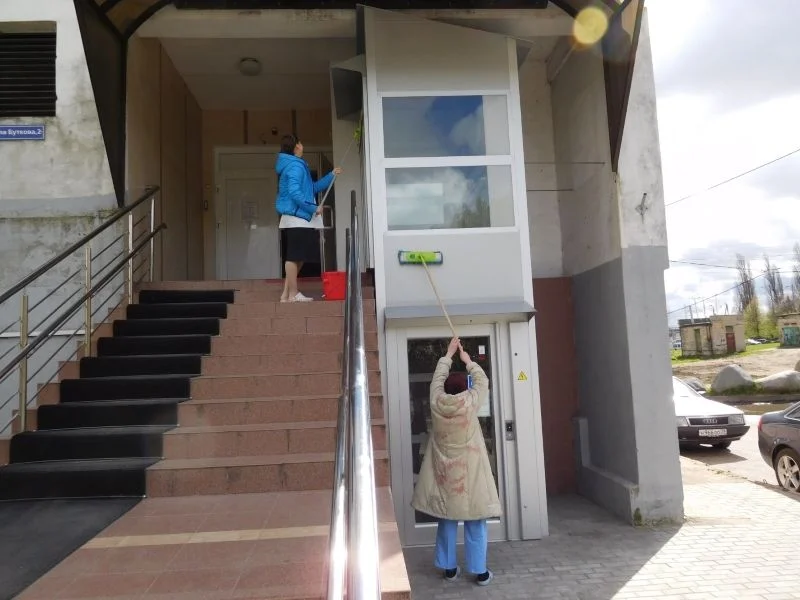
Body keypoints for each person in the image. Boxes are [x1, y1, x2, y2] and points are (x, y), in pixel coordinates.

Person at [411, 336, 501, 586]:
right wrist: (468, 360)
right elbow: (483, 381)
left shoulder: (436, 402)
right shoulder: (470, 402)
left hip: (445, 475)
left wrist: (448, 355)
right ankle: (480, 572)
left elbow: (436, 380)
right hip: (470, 475)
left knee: (447, 520)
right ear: (464, 389)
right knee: (476, 520)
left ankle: (449, 569)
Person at [275, 134, 341, 302]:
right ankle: (293, 294)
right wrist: (313, 207)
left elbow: (312, 188)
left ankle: (286, 294)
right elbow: (295, 193)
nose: (302, 146)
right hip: (296, 217)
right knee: (294, 256)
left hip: (299, 217)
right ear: (297, 146)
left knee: (299, 256)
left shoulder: (295, 165)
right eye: (301, 143)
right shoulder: (295, 166)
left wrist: (331, 175)